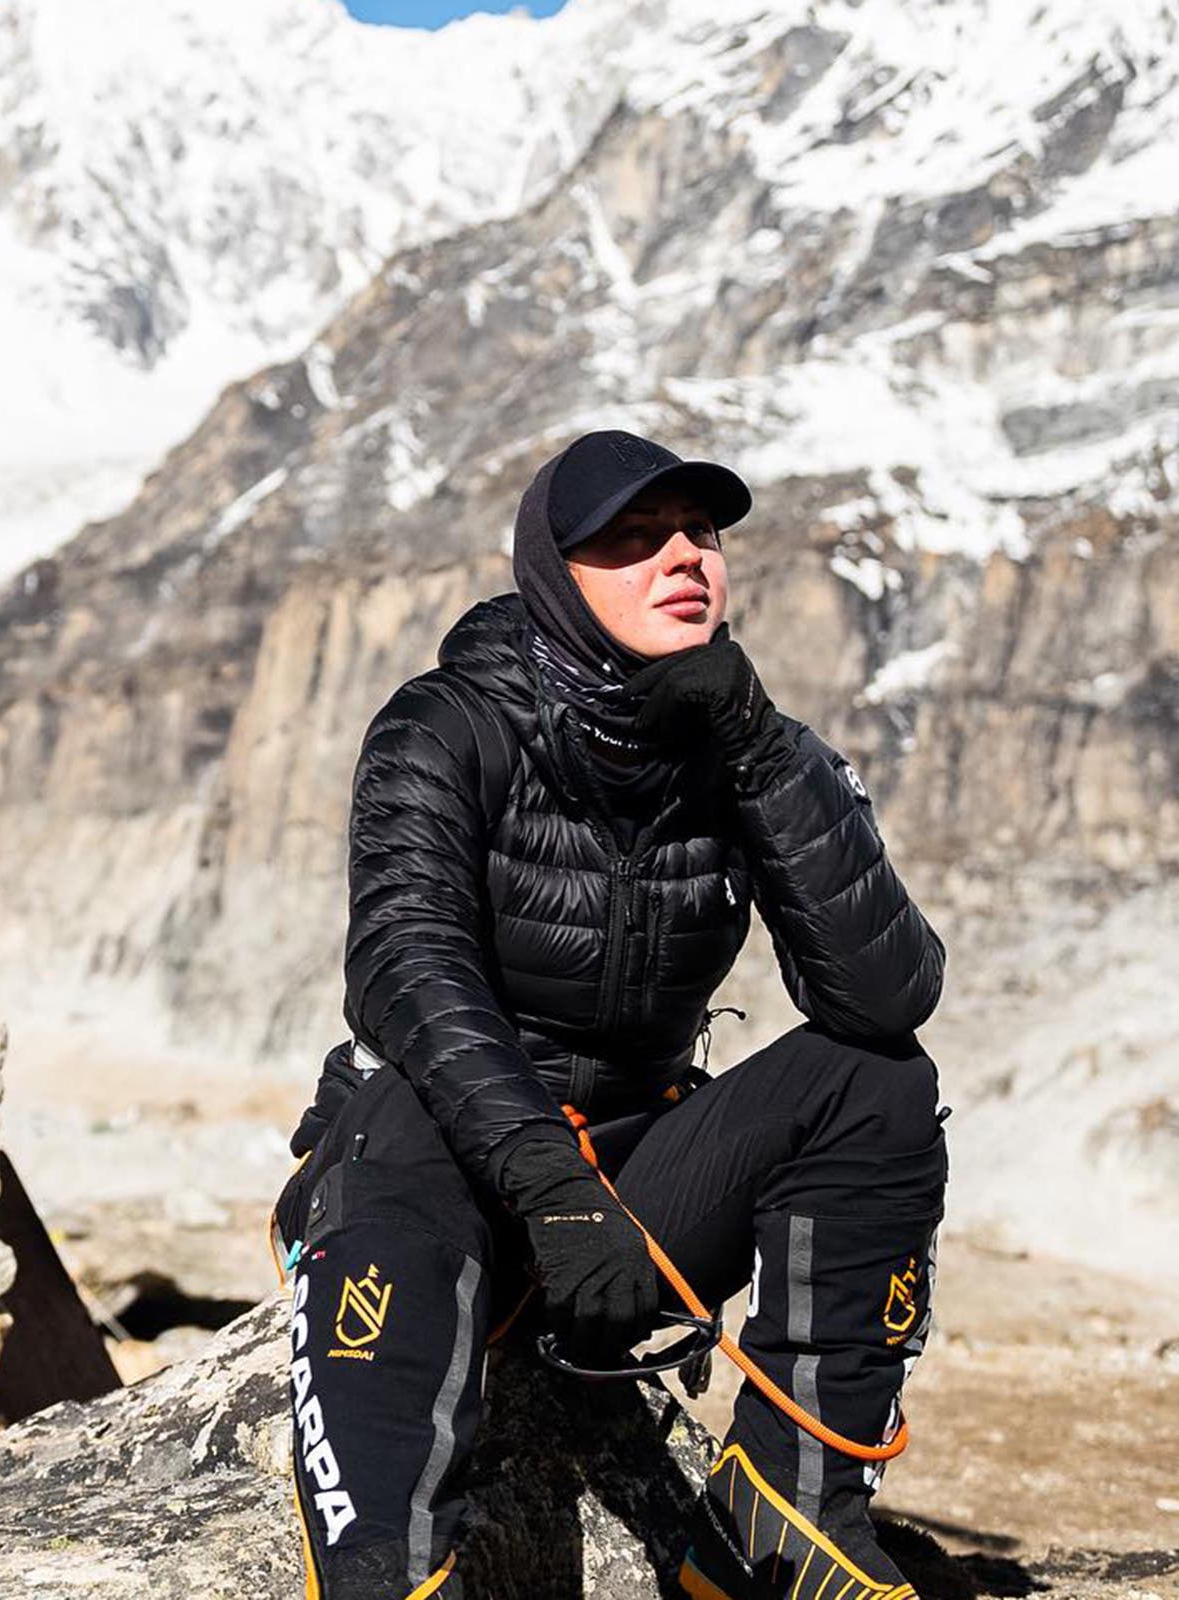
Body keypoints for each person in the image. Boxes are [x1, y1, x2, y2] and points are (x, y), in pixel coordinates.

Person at [274, 429, 948, 1600]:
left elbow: (887, 995)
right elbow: (405, 968)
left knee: (877, 1082)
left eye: (700, 534)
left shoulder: (747, 747)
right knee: (407, 1112)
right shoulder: (446, 725)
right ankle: (391, 1573)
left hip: (631, 1191)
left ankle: (781, 1520)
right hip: (455, 1171)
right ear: (556, 576)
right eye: (633, 539)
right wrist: (551, 1186)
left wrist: (755, 745)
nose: (682, 556)